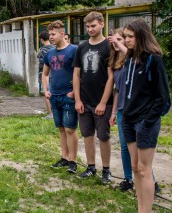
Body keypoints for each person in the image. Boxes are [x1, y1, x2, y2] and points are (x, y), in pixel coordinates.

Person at [116, 19, 169, 213]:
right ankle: (140, 212)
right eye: (125, 36)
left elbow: (163, 97)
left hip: (144, 122)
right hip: (128, 119)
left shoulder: (153, 60)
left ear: (141, 36)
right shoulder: (129, 58)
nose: (126, 40)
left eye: (130, 37)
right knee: (136, 168)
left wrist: (148, 120)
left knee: (145, 171)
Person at [73, 12, 115, 184]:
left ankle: (106, 170)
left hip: (102, 101)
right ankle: (91, 167)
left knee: (103, 136)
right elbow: (76, 75)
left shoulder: (108, 46)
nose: (90, 29)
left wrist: (103, 102)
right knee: (87, 134)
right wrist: (77, 99)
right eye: (88, 26)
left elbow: (111, 77)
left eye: (93, 26)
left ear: (102, 24)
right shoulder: (81, 47)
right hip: (84, 100)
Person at [42, 21, 79, 174]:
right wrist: (46, 90)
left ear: (62, 34)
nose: (50, 37)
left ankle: (73, 160)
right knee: (61, 129)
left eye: (53, 34)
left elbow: (79, 74)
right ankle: (64, 157)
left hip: (68, 96)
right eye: (49, 34)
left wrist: (75, 92)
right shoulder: (49, 53)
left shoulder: (74, 50)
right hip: (54, 95)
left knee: (70, 129)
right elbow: (45, 74)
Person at [36, 30, 53, 115]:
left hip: (44, 73)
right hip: (54, 74)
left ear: (42, 40)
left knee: (46, 93)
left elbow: (40, 60)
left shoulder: (42, 50)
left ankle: (50, 113)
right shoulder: (54, 47)